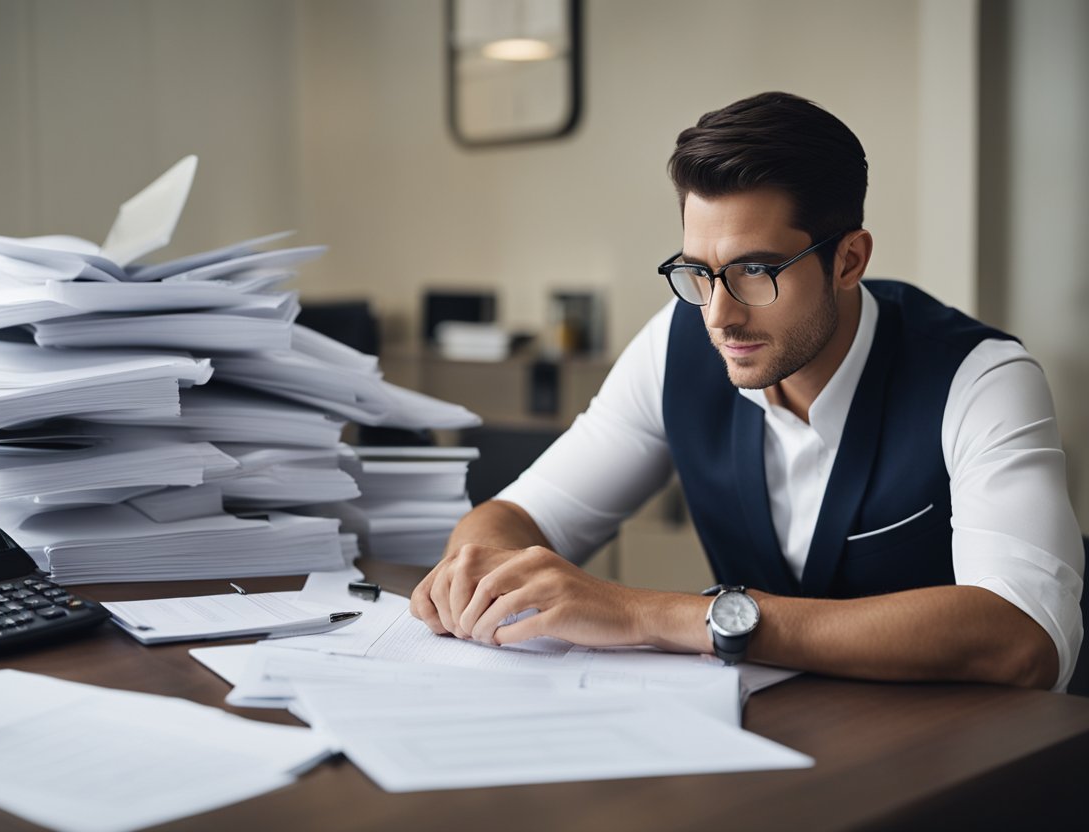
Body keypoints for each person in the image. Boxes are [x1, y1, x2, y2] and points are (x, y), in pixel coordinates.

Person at [409, 91, 1085, 691]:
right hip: (760, 753)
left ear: (848, 260)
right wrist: (480, 575)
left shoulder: (983, 379)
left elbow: (1024, 637)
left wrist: (646, 613)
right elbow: (518, 517)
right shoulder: (675, 345)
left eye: (755, 271)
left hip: (953, 772)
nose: (718, 315)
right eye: (698, 272)